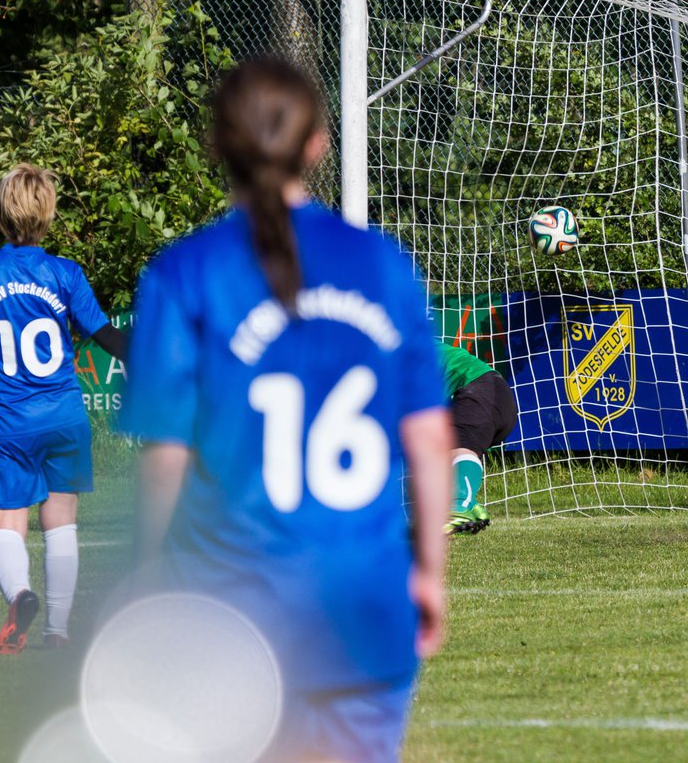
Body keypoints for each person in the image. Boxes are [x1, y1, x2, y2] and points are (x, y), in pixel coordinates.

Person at [118, 58, 453, 762]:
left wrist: (143, 577)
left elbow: (165, 457)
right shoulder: (383, 263)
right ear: (318, 144)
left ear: (216, 146)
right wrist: (428, 572)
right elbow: (429, 440)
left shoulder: (183, 272)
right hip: (364, 609)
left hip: (229, 615)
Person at [0, 163, 127, 654]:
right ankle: (58, 632)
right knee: (61, 520)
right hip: (64, 416)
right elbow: (104, 334)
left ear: (1, 214)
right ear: (48, 214)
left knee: (7, 523)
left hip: (9, 423)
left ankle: (21, 595)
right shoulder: (65, 273)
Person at [438, 341, 516, 535]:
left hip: (479, 389)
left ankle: (460, 506)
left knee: (460, 446)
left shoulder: (393, 355)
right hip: (493, 395)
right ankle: (470, 506)